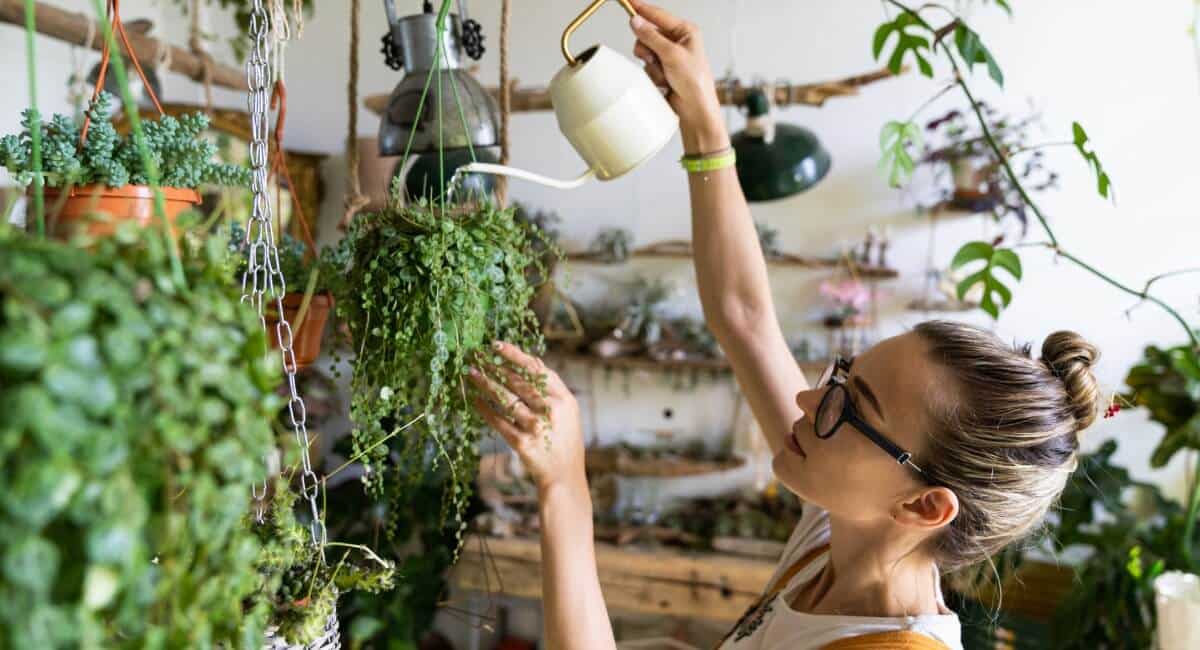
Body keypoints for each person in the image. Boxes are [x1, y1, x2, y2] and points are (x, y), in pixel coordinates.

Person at [467, 2, 1103, 648]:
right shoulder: (837, 535)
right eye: (843, 378)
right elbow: (745, 318)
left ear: (923, 506)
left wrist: (564, 490)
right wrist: (703, 119)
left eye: (850, 408)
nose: (806, 399)